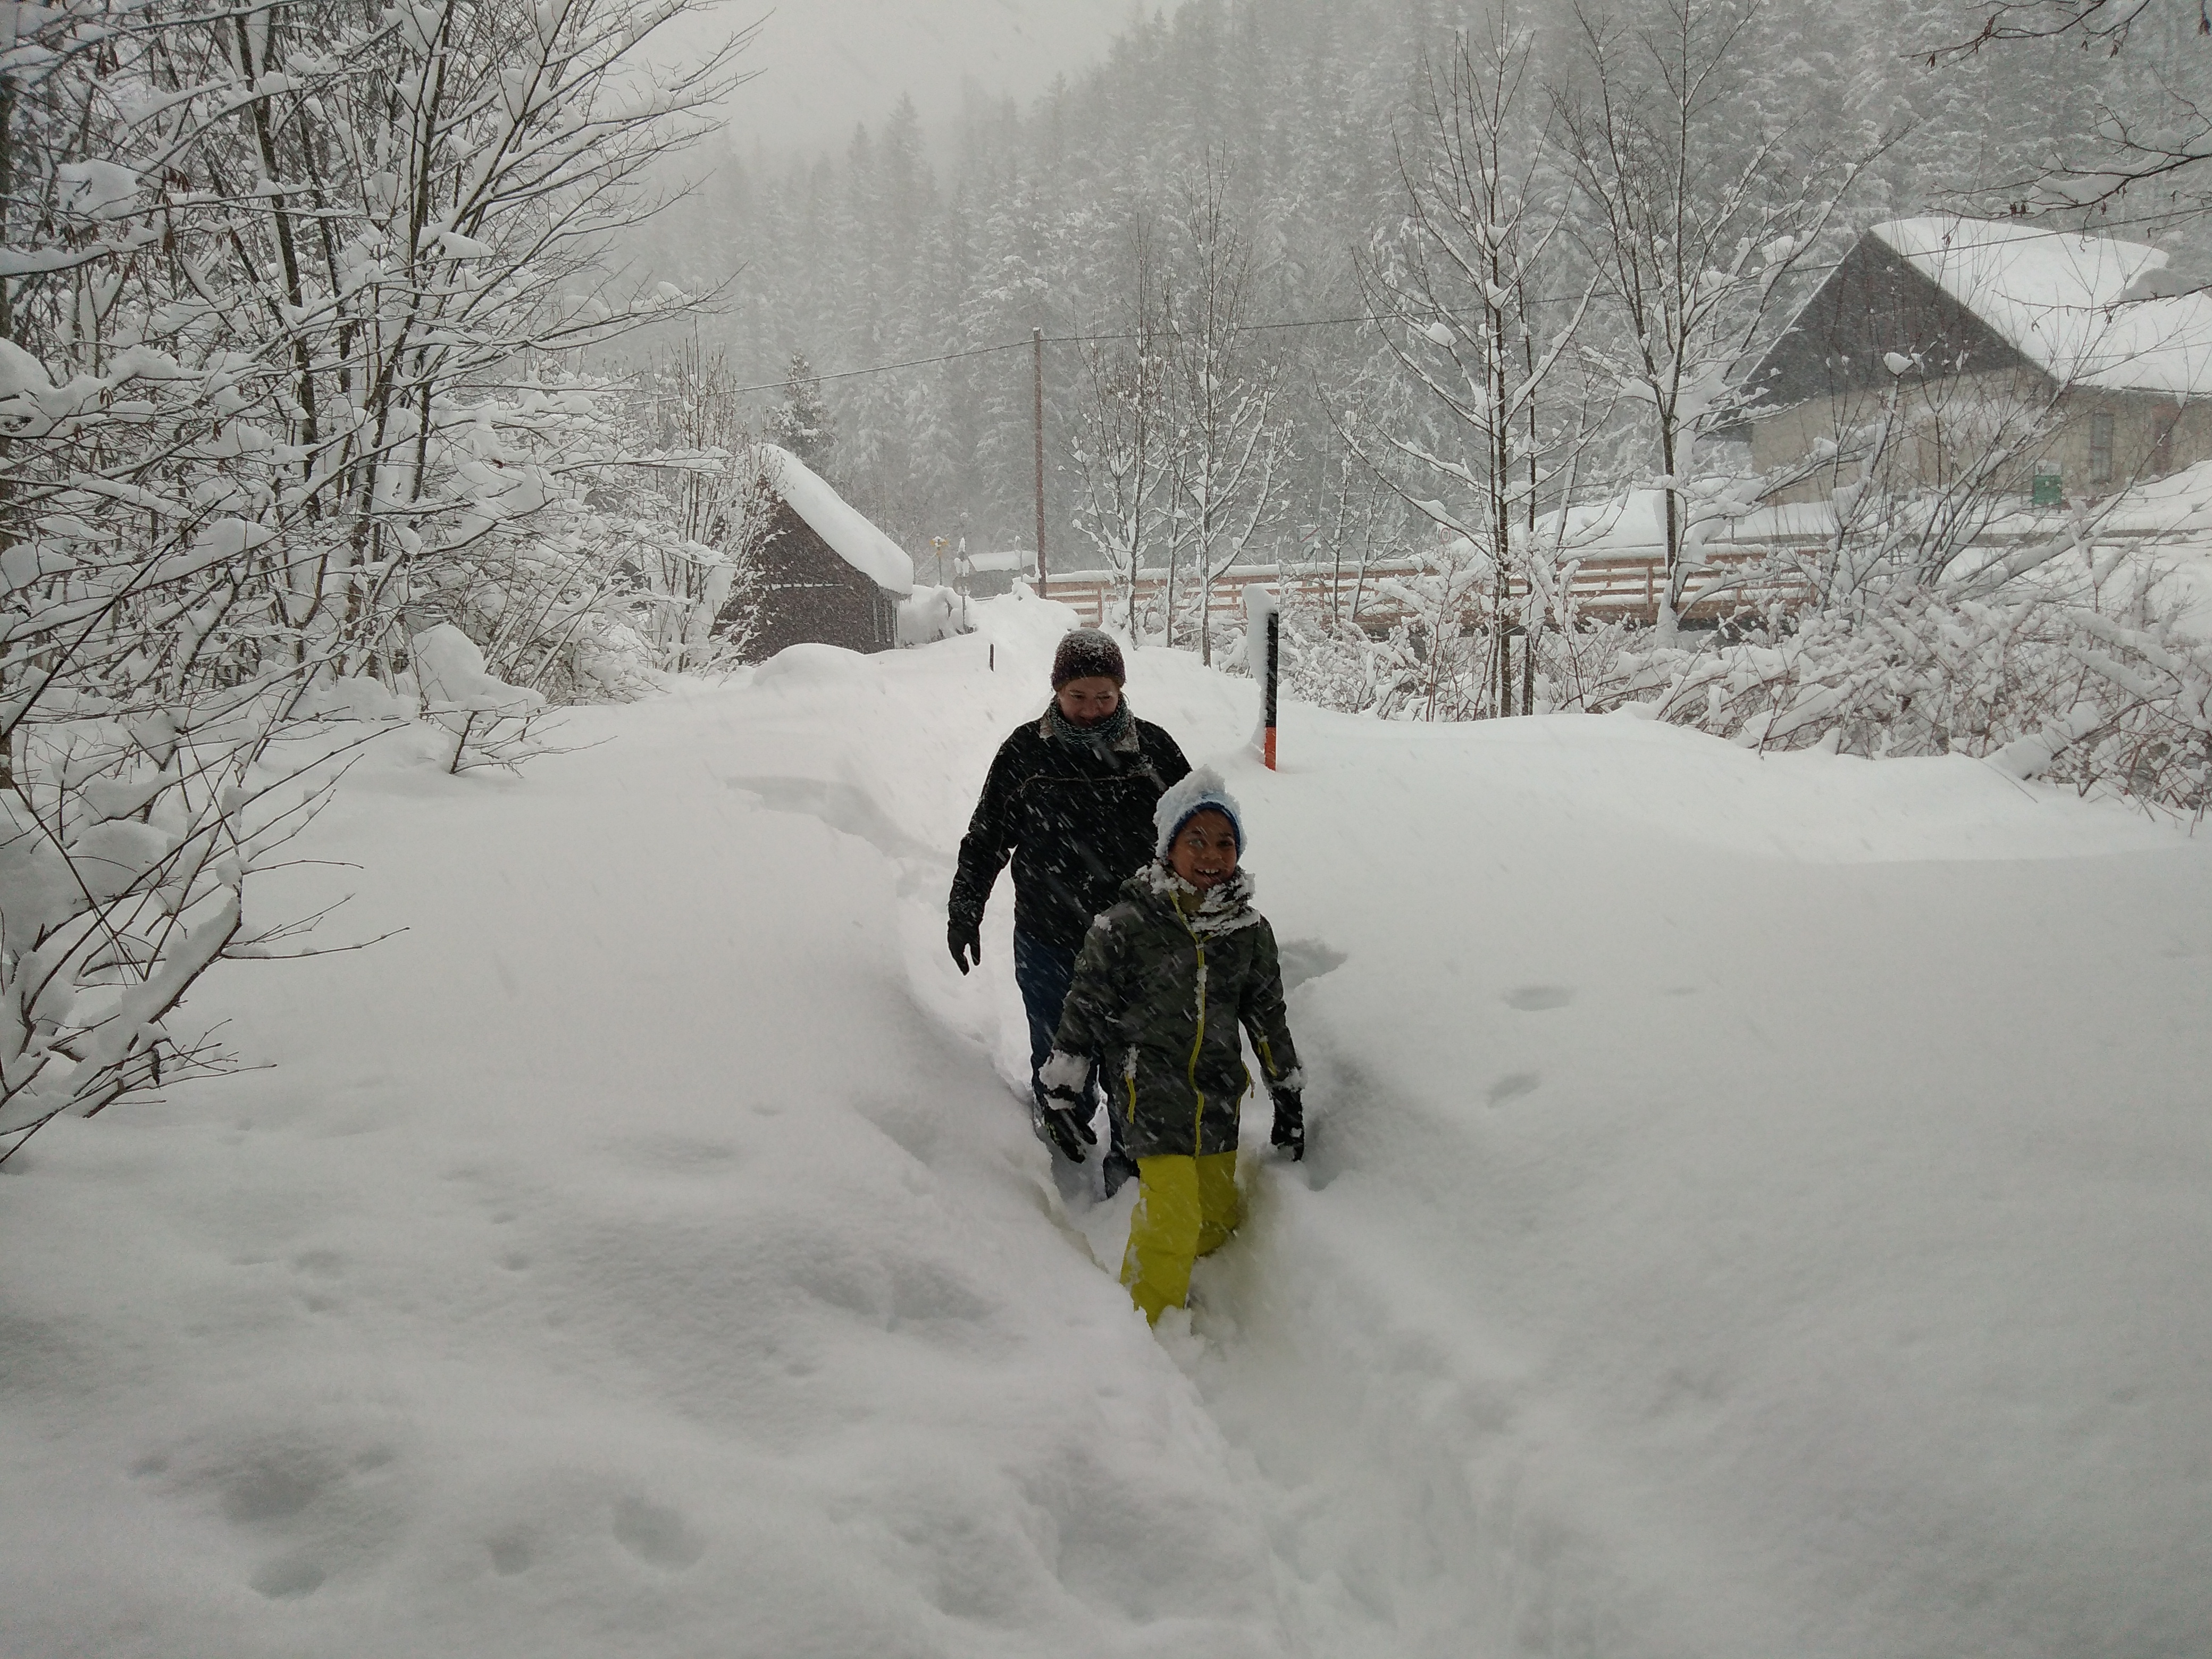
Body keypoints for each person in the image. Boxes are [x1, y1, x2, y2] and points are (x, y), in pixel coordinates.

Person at [1035, 767, 1305, 1323]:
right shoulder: (1125, 925)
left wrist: (1285, 1088)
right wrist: (1063, 1089)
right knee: (1172, 1216)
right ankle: (1144, 1327)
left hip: (1217, 1097)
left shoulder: (1248, 932)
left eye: (1224, 842)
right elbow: (1083, 1008)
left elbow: (1265, 1015)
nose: (1211, 855)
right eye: (1195, 841)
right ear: (1167, 849)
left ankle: (1200, 1284)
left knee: (1214, 1214)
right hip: (1149, 1091)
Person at [948, 628, 1191, 1191]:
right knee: (1058, 1045)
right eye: (1077, 697)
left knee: (1134, 1052)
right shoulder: (1024, 752)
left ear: (1120, 691)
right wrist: (965, 907)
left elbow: (1196, 836)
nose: (1089, 711)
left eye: (1102, 698)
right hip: (1047, 936)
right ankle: (1062, 1144)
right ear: (1057, 691)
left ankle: (1131, 1163)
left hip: (1135, 937)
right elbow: (987, 837)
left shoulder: (1153, 752)